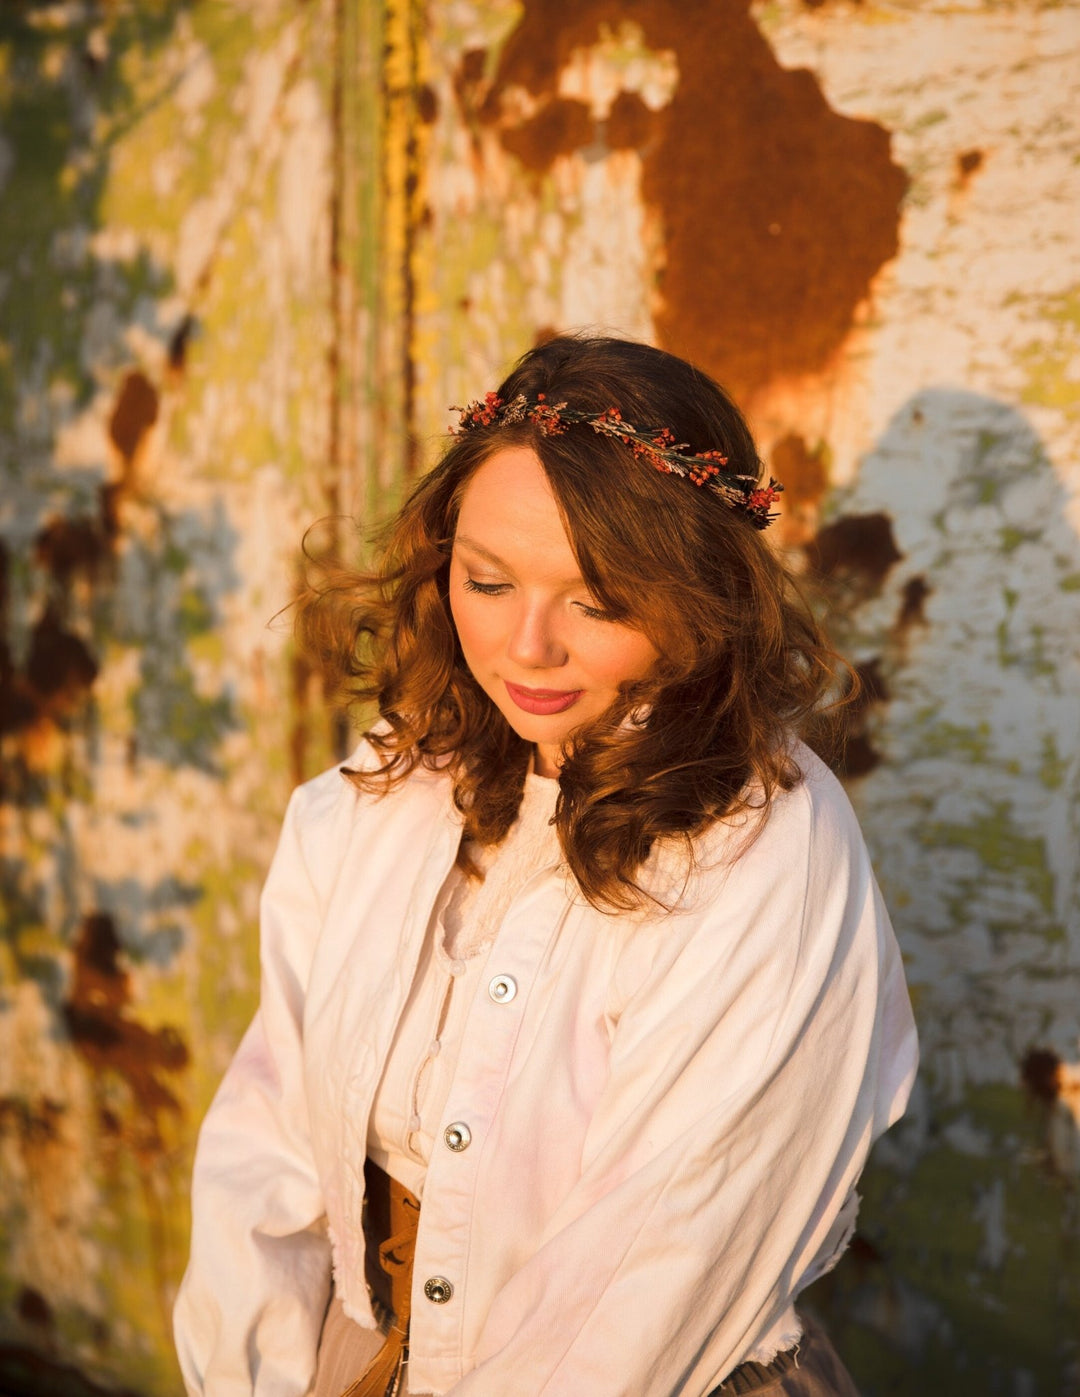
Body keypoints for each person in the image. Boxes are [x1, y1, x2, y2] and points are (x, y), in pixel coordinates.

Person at [173, 334, 918, 1397]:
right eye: (487, 579)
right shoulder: (391, 787)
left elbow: (648, 1286)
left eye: (599, 600)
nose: (527, 645)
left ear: (701, 594)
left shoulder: (768, 854)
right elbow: (270, 1132)